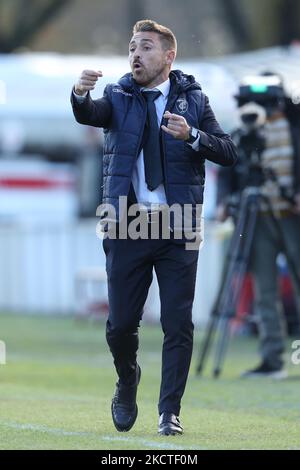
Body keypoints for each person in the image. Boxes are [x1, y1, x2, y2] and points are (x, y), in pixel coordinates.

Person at [71, 19, 237, 435]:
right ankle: (128, 379)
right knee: (121, 323)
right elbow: (90, 114)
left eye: (145, 47)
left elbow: (229, 151)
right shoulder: (117, 94)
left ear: (168, 55)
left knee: (178, 322)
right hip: (126, 223)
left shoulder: (194, 99)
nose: (135, 55)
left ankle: (169, 413)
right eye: (131, 48)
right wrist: (79, 92)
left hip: (179, 225)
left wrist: (194, 136)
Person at [217, 73, 300, 379]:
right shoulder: (243, 131)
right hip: (258, 219)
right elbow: (227, 170)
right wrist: (224, 201)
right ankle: (272, 359)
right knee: (265, 290)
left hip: (292, 215)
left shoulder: (294, 125)